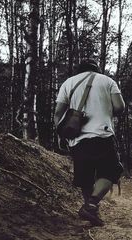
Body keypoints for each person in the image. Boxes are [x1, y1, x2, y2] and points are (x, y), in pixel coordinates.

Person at [54, 59, 125, 226]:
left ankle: (91, 211)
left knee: (86, 178)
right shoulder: (107, 81)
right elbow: (120, 107)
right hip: (102, 134)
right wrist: (105, 110)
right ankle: (91, 205)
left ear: (79, 70)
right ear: (97, 69)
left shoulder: (68, 83)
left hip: (77, 139)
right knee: (111, 172)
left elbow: (58, 112)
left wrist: (62, 134)